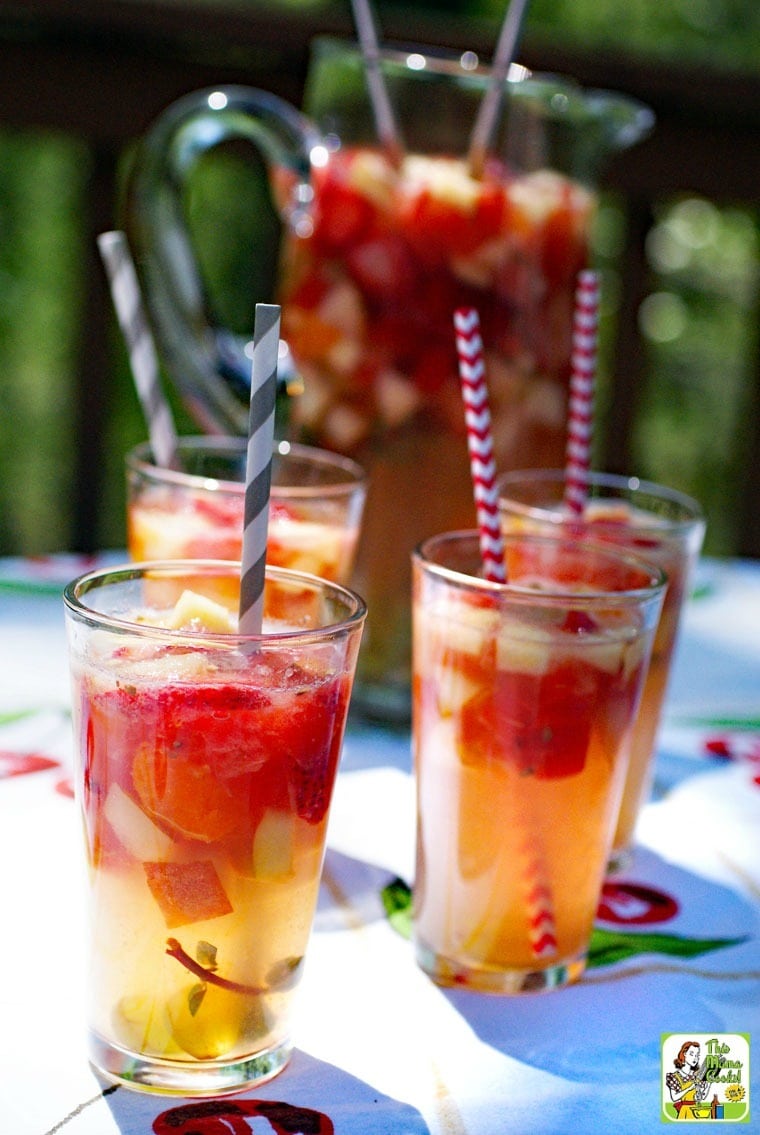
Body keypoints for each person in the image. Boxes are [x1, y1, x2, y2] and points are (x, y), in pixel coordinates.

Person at [665, 1041, 709, 1118]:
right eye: (692, 1054)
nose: (695, 1058)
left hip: (696, 1111)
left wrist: (709, 1083)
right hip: (684, 1112)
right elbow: (674, 1098)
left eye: (697, 1055)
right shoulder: (674, 1077)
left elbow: (702, 1097)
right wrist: (689, 1088)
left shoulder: (697, 1076)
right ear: (684, 1054)